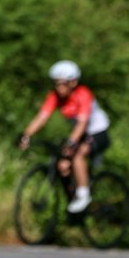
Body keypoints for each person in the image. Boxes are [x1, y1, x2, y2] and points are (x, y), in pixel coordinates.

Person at [19, 60, 111, 213]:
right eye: (56, 83)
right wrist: (26, 135)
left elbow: (82, 123)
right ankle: (72, 197)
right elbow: (41, 118)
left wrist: (71, 143)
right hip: (80, 134)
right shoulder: (54, 96)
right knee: (62, 165)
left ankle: (84, 195)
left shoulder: (83, 94)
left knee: (77, 156)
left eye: (63, 83)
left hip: (98, 131)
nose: (59, 88)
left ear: (73, 82)